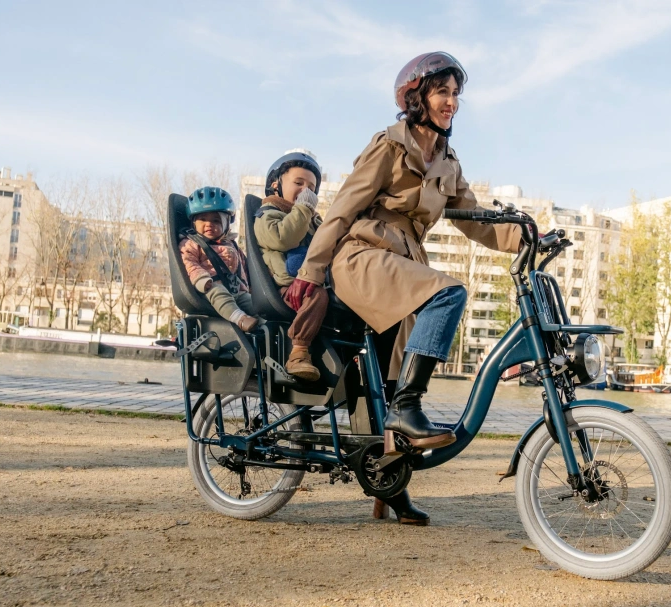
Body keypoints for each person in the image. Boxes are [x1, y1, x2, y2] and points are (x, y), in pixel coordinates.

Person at [286, 52, 523, 525]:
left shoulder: (448, 162)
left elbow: (476, 222)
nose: (451, 102)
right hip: (362, 257)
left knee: (388, 384)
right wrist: (310, 271)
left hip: (404, 267)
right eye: (442, 92)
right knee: (449, 293)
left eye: (455, 94)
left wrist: (528, 237)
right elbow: (342, 208)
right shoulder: (389, 146)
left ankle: (388, 488)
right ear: (417, 98)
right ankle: (408, 409)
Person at [254, 150, 329, 381]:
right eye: (298, 183)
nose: (306, 191)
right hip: (285, 288)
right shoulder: (267, 214)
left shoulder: (310, 220)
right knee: (317, 296)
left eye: (311, 188)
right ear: (275, 185)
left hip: (309, 280)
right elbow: (284, 239)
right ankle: (298, 353)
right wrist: (304, 208)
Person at [180, 187, 258, 332]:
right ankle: (239, 318)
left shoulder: (232, 245)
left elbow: (246, 268)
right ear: (193, 222)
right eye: (203, 219)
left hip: (238, 291)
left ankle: (264, 324)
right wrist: (202, 280)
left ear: (226, 224)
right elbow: (188, 263)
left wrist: (253, 288)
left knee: (253, 303)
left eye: (216, 220)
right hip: (209, 287)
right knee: (219, 293)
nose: (209, 224)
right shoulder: (191, 243)